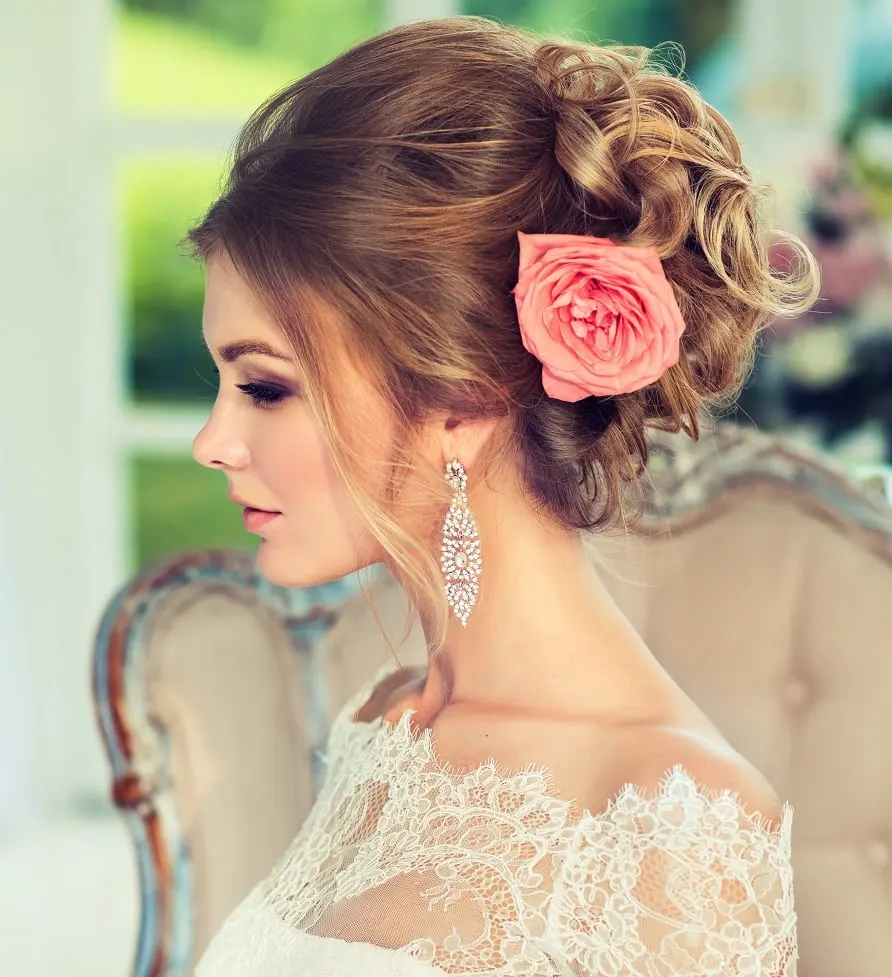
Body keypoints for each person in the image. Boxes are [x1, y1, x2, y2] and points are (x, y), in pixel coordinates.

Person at [188, 16, 818, 976]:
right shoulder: (385, 720)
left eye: (268, 387)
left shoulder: (673, 822)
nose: (212, 442)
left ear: (462, 397)